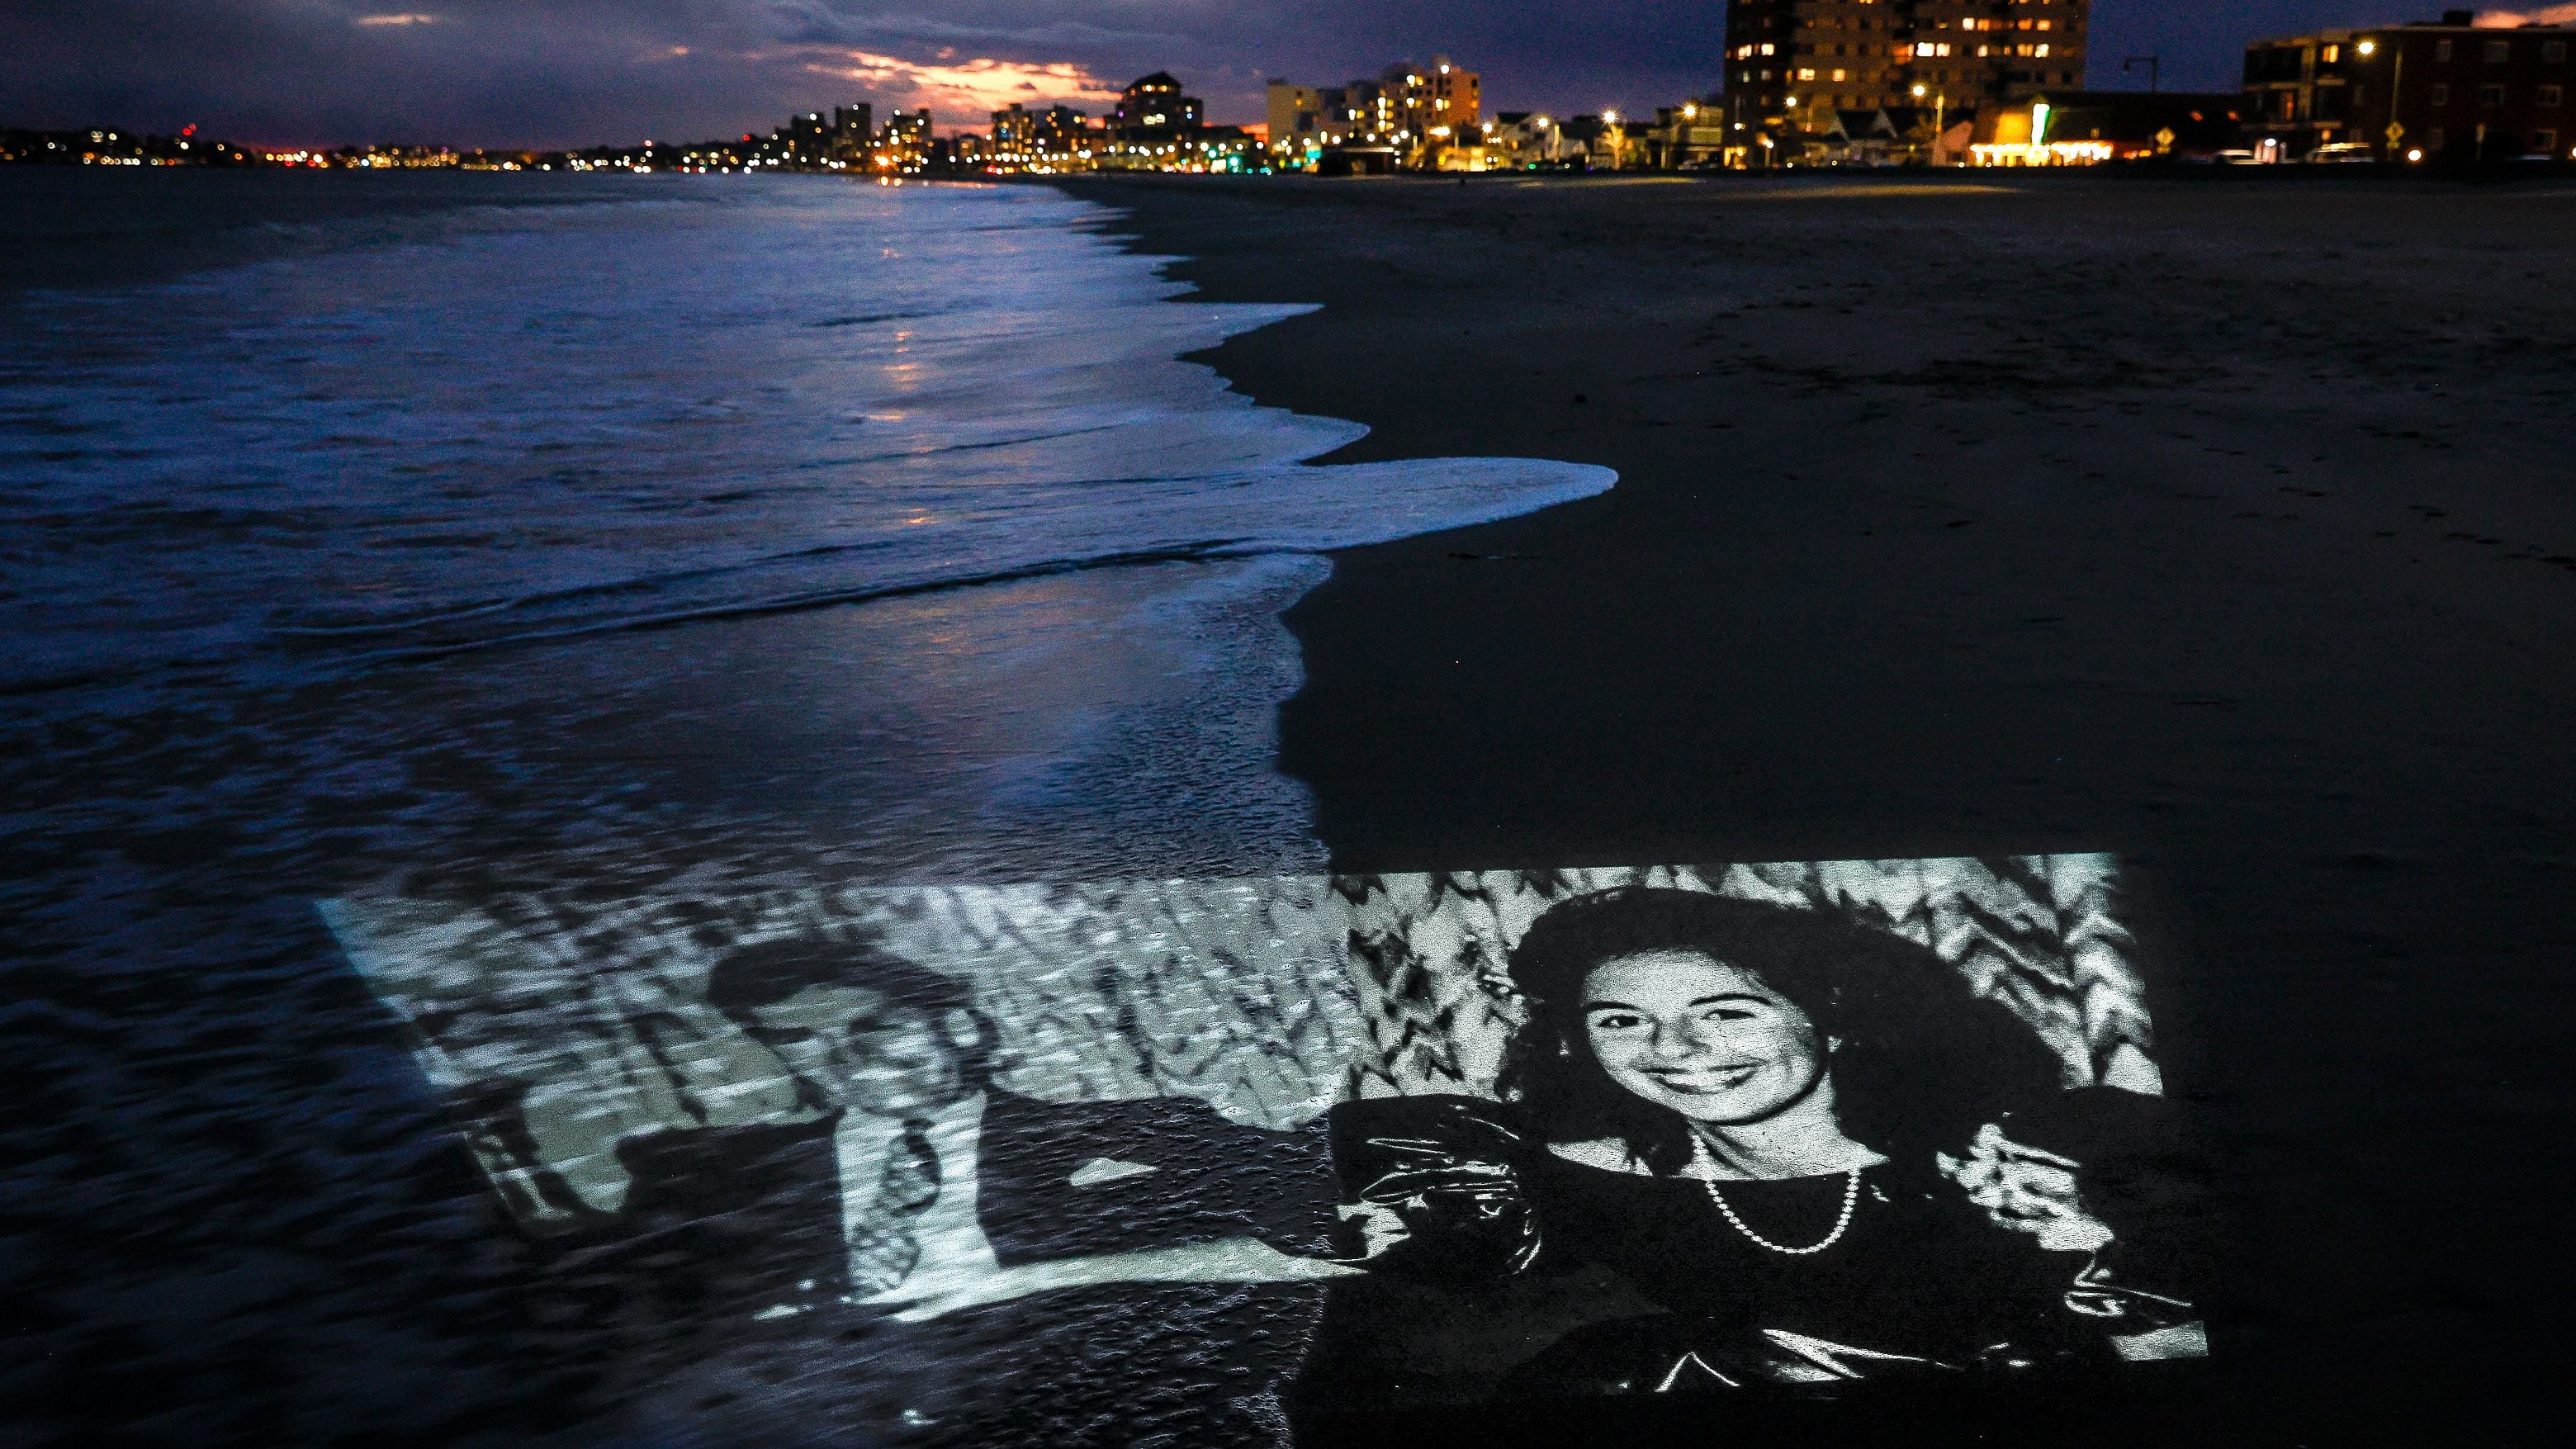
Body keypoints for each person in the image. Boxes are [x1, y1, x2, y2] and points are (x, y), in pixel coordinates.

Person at [1304, 886, 2206, 1409]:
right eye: (1623, 1020)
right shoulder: (1578, 1171)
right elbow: (1308, 1239)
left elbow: (2179, 1343)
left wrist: (2091, 1244)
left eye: (1726, 1013)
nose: (1675, 1052)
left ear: (1836, 1020)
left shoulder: (2026, 1154)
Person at [585, 934, 1355, 1442]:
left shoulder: (1129, 1132)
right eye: (799, 1044)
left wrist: (1019, 1281)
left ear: (955, 1027)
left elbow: (1320, 1244)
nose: (840, 1062)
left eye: (870, 1029)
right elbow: (623, 1352)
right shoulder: (704, 1176)